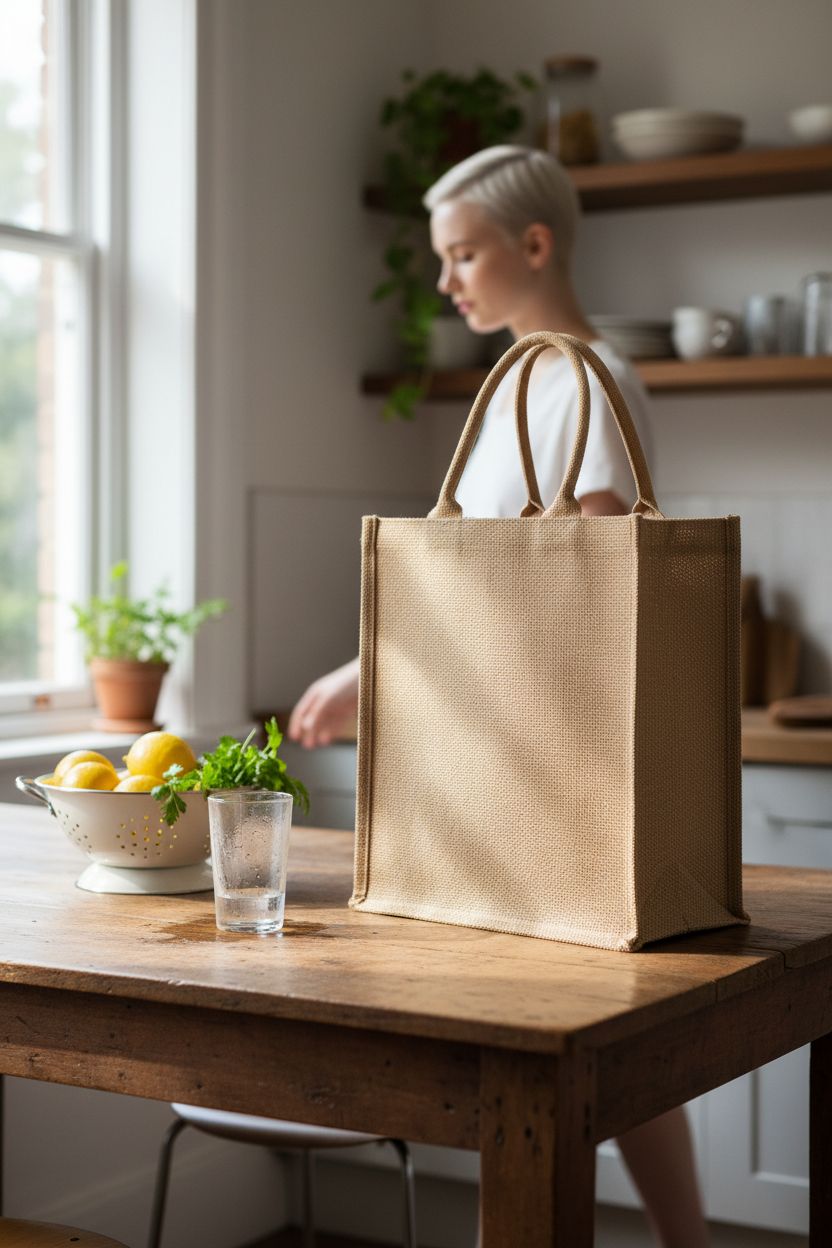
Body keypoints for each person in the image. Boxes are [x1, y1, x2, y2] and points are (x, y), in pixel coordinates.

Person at [289, 146, 709, 1248]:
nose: (445, 282)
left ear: (534, 245)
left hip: (548, 771)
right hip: (523, 763)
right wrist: (361, 673)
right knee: (598, 1060)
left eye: (462, 253)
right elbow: (479, 598)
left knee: (524, 1068)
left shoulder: (580, 381)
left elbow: (577, 588)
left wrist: (365, 674)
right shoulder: (527, 387)